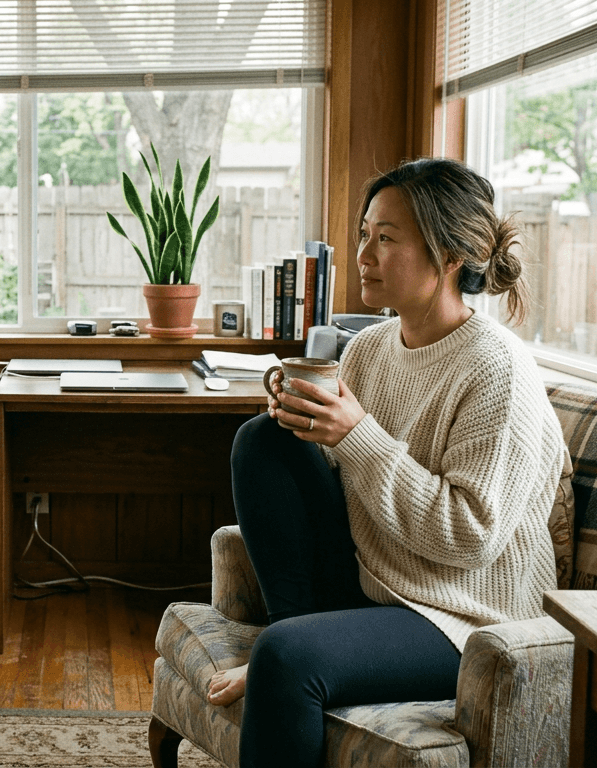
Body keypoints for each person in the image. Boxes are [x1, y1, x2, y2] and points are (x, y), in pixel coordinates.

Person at [205, 157, 568, 766]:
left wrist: (355, 435)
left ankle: (289, 654)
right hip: (379, 580)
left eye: (386, 239)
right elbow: (345, 481)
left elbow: (471, 534)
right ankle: (297, 637)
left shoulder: (497, 369)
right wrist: (308, 428)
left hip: (466, 616)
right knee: (261, 441)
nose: (365, 255)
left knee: (287, 659)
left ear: (450, 256)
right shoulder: (370, 347)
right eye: (364, 235)